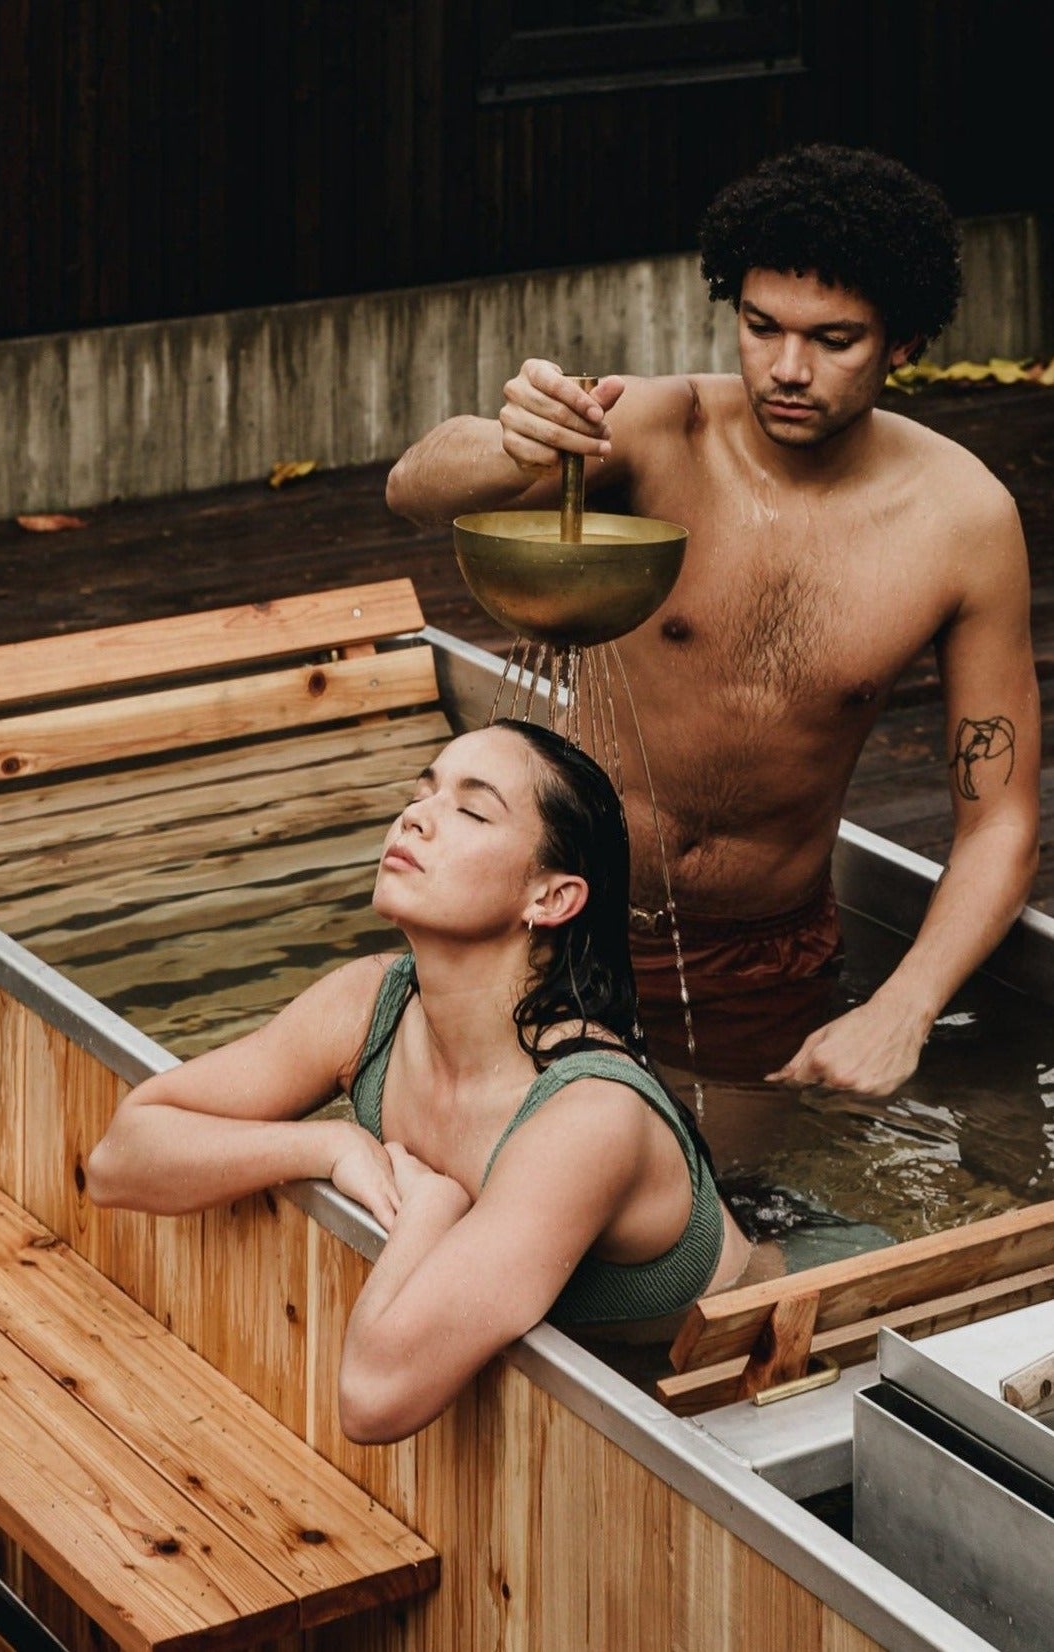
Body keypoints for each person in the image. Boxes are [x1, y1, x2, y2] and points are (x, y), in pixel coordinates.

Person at [385, 143, 1040, 1102]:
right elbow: (413, 488)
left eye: (834, 340)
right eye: (761, 326)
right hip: (544, 916)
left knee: (736, 1189)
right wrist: (510, 442)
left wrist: (904, 1006)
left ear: (902, 342)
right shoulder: (663, 430)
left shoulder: (964, 520)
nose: (787, 369)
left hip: (760, 958)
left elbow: (1000, 821)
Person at [85, 720, 752, 1444]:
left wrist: (432, 1207)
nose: (416, 818)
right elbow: (118, 1161)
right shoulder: (371, 1003)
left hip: (725, 1389)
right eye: (421, 793)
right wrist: (328, 1148)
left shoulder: (588, 1115)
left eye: (472, 811)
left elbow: (373, 1398)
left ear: (551, 898)